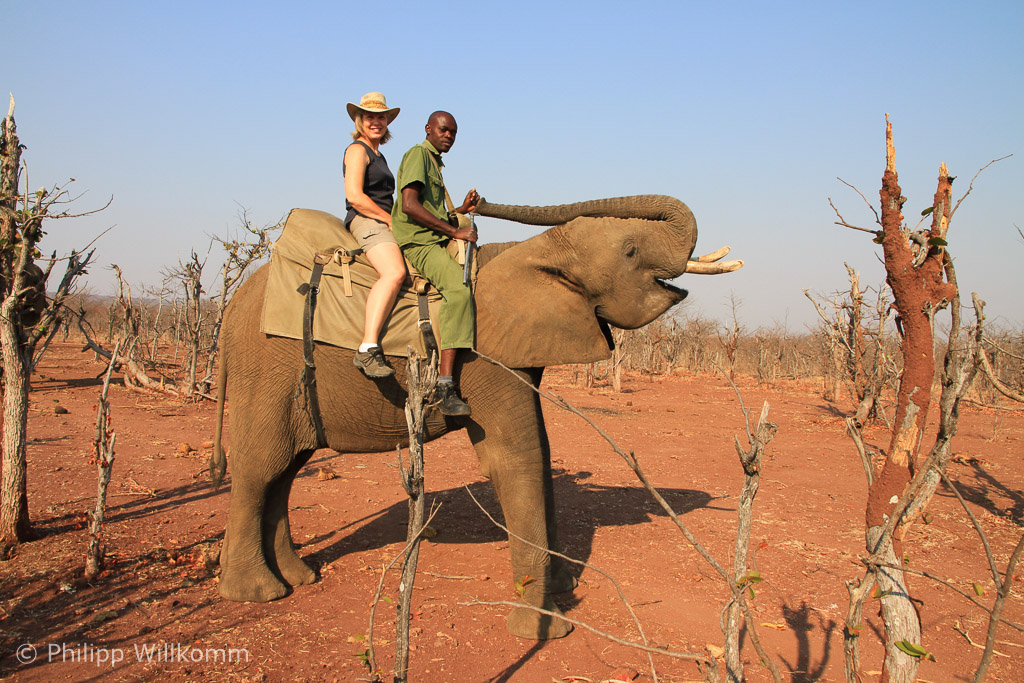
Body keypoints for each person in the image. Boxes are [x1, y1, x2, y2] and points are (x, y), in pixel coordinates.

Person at [391, 111, 480, 416]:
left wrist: (460, 210)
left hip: (431, 236)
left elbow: (432, 210)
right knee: (459, 291)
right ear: (428, 129)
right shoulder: (418, 155)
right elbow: (409, 205)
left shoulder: (434, 164)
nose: (449, 136)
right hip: (419, 241)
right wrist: (455, 230)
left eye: (453, 133)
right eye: (444, 130)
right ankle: (445, 386)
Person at [343, 92, 406, 378]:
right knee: (393, 273)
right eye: (369, 116)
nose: (376, 122)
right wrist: (389, 220)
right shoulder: (357, 150)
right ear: (360, 120)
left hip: (382, 220)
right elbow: (355, 196)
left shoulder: (379, 154)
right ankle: (367, 348)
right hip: (367, 221)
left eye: (381, 116)